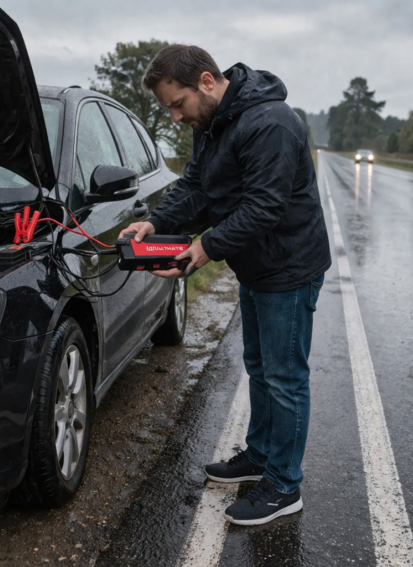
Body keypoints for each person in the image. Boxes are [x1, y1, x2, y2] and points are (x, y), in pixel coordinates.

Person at [119, 45, 331, 526]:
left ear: (208, 82)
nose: (175, 117)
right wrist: (154, 224)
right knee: (259, 367)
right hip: (256, 265)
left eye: (179, 104)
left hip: (289, 268)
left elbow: (264, 206)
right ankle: (259, 456)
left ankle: (284, 485)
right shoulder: (212, 125)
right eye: (168, 108)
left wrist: (206, 248)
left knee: (285, 378)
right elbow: (196, 188)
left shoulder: (271, 123)